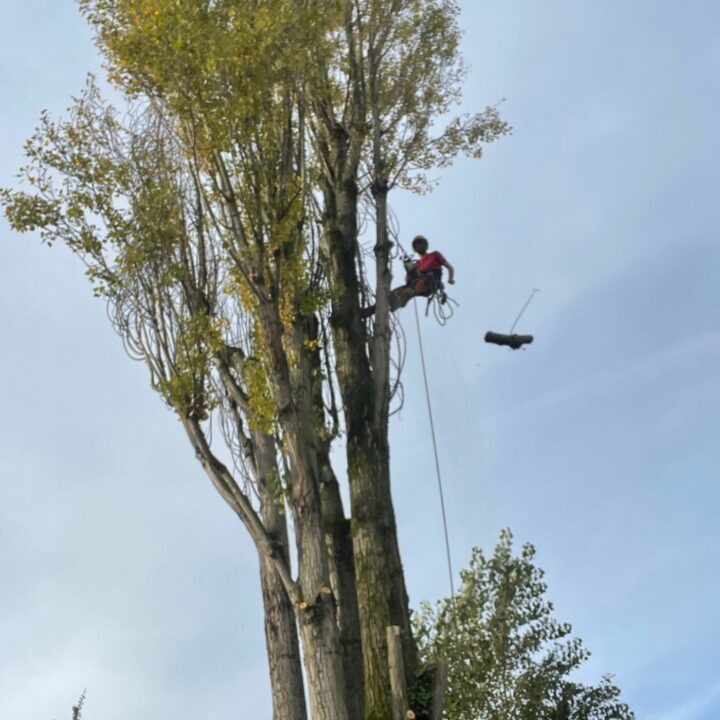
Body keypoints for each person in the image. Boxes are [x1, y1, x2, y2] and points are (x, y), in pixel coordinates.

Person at [362, 235, 455, 318]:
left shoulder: (435, 255)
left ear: (425, 245)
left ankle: (402, 299)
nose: (419, 245)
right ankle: (368, 311)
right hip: (417, 283)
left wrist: (450, 279)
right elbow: (408, 280)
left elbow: (450, 268)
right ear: (415, 248)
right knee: (392, 294)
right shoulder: (418, 264)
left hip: (431, 281)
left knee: (415, 285)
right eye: (417, 244)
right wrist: (409, 268)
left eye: (421, 243)